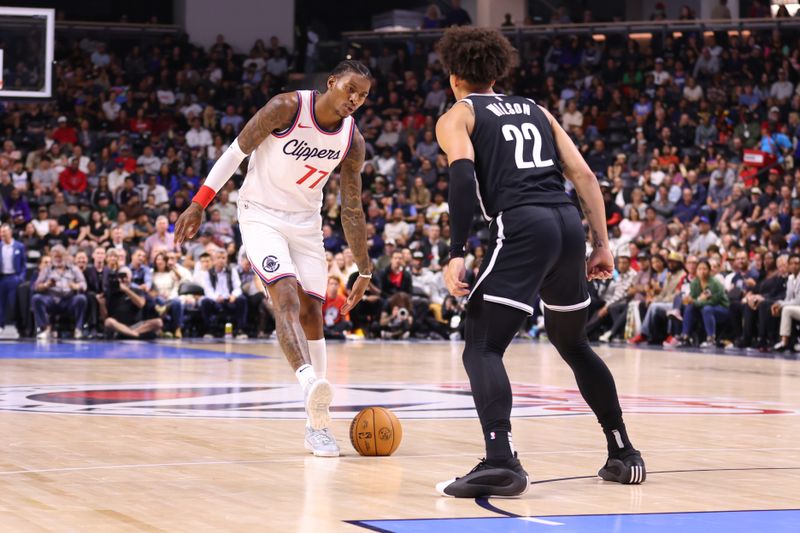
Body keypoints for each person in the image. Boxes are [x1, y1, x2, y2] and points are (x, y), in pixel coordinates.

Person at [434, 27, 645, 498]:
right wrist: (602, 244)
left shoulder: (457, 115)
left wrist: (456, 252)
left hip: (525, 225)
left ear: (454, 77)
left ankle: (501, 459)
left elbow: (463, 180)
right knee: (574, 344)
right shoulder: (536, 109)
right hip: (568, 223)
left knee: (482, 344)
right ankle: (623, 452)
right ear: (498, 71)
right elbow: (585, 175)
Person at [174, 60, 373, 457]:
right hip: (260, 214)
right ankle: (310, 388)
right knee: (285, 298)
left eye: (363, 95)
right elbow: (235, 153)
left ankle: (315, 425)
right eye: (350, 88)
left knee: (313, 313)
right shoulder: (285, 107)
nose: (354, 99)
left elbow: (352, 207)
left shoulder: (352, 141)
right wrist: (199, 203)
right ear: (331, 82)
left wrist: (364, 268)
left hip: (306, 224)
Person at [32, 245, 88, 340]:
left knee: (81, 299)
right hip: (52, 299)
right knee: (36, 298)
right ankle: (46, 329)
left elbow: (84, 284)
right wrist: (47, 285)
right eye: (56, 257)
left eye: (60, 256)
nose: (58, 259)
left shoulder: (73, 269)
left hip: (68, 300)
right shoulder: (47, 269)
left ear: (65, 256)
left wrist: (76, 286)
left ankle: (78, 329)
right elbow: (36, 286)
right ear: (52, 257)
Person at [0, 224, 26, 339]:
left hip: (14, 278)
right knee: (1, 304)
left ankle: (16, 326)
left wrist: (21, 278)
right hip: (2, 278)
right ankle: (1, 326)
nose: (2, 234)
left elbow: (24, 265)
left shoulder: (19, 246)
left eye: (4, 231)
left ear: (10, 232)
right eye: (1, 232)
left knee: (14, 303)